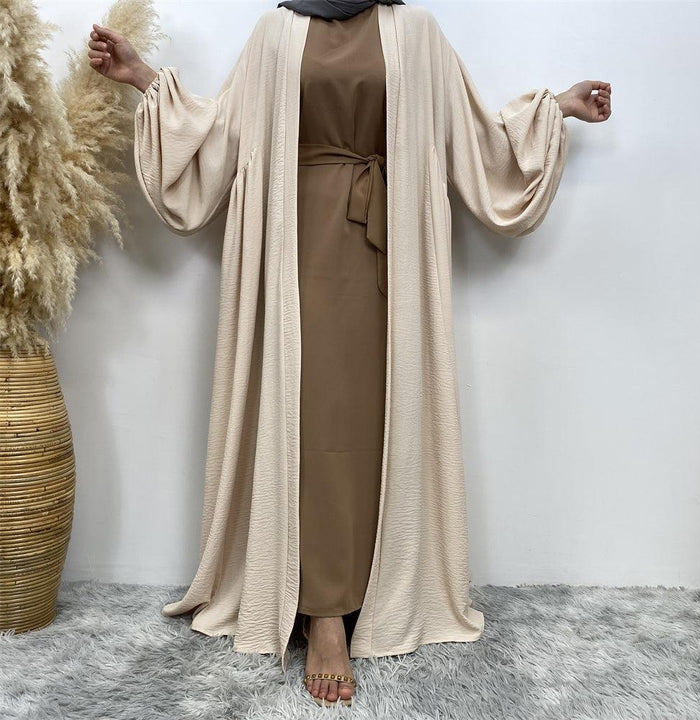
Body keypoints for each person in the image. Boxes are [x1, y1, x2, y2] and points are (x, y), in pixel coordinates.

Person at [88, 0, 610, 708]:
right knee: (309, 415)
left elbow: (471, 133)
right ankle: (325, 611)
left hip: (389, 248)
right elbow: (223, 131)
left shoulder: (416, 32)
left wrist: (558, 108)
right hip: (293, 246)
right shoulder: (277, 31)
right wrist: (142, 77)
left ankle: (375, 586)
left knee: (372, 420)